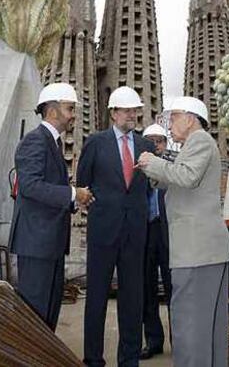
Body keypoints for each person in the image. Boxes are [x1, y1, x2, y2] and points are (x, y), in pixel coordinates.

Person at [137, 96, 229, 367]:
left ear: (190, 118)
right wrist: (153, 168)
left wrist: (150, 163)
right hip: (203, 253)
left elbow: (187, 176)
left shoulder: (200, 141)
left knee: (190, 328)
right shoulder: (194, 146)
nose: (170, 124)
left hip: (196, 253)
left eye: (174, 117)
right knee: (206, 330)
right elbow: (178, 178)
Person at [76, 86, 154, 367]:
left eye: (135, 110)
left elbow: (145, 190)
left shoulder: (146, 146)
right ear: (113, 113)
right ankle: (93, 358)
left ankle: (129, 359)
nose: (132, 115)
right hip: (103, 232)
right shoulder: (95, 142)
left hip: (135, 233)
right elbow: (83, 185)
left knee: (133, 298)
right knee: (96, 296)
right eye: (127, 110)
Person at [8, 82, 94, 331]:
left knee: (49, 312)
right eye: (69, 109)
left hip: (50, 244)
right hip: (36, 245)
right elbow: (31, 187)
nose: (73, 116)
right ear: (53, 111)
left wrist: (74, 201)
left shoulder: (52, 143)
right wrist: (72, 193)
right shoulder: (35, 141)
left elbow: (47, 190)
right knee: (34, 317)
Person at [140, 124, 171, 360]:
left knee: (175, 290)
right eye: (150, 141)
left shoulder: (173, 170)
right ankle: (153, 341)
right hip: (145, 235)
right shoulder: (137, 174)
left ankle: (180, 341)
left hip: (169, 235)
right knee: (146, 290)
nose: (155, 145)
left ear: (165, 144)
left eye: (159, 141)